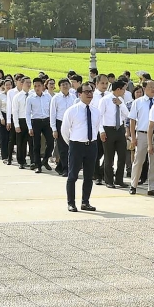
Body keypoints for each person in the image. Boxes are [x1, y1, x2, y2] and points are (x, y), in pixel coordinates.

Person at [61, 82, 102, 212]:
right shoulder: (72, 110)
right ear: (79, 94)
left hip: (92, 146)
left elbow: (96, 128)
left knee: (89, 176)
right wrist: (73, 144)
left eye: (91, 92)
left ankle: (85, 202)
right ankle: (71, 203)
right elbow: (65, 130)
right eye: (86, 92)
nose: (89, 94)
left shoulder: (96, 111)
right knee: (72, 176)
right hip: (76, 145)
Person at [97, 79, 130, 188]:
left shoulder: (120, 100)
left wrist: (121, 104)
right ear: (118, 89)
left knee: (122, 156)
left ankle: (119, 180)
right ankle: (109, 180)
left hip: (119, 130)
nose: (124, 92)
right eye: (123, 89)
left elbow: (127, 114)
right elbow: (99, 117)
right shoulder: (105, 100)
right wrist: (101, 131)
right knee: (109, 157)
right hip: (108, 130)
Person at [127, 80, 154, 194]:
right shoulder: (138, 102)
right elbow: (132, 120)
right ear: (144, 88)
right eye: (150, 87)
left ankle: (152, 187)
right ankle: (133, 185)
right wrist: (133, 137)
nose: (153, 89)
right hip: (142, 134)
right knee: (138, 161)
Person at [25, 77, 54, 172]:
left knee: (50, 143)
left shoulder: (48, 97)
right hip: (35, 121)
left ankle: (45, 160)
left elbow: (51, 111)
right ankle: (38, 165)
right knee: (36, 145)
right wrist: (30, 127)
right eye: (35, 86)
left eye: (39, 86)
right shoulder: (30, 98)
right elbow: (27, 113)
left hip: (46, 121)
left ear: (43, 86)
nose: (37, 88)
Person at [50, 78, 76, 176]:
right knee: (63, 148)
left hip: (71, 124)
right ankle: (66, 169)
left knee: (71, 147)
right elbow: (52, 114)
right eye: (63, 85)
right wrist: (54, 129)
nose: (65, 86)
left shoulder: (73, 98)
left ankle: (61, 167)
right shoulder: (56, 98)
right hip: (60, 123)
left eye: (66, 84)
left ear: (70, 86)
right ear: (60, 87)